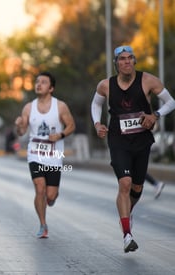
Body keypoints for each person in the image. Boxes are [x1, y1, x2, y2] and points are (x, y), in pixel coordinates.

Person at [91, 45, 175, 253]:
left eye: (130, 58)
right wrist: (97, 124)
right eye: (122, 59)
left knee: (137, 188)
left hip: (142, 141)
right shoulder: (106, 85)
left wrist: (155, 115)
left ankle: (126, 215)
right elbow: (96, 105)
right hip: (118, 140)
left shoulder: (148, 80)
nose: (127, 62)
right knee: (125, 183)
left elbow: (171, 102)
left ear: (134, 61)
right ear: (116, 63)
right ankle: (127, 235)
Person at [15, 72, 75, 239]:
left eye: (43, 82)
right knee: (39, 189)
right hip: (35, 154)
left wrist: (60, 135)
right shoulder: (29, 107)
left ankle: (52, 198)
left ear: (51, 88)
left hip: (54, 155)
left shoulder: (60, 106)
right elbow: (21, 132)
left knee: (50, 195)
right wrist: (19, 125)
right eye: (37, 82)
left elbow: (71, 125)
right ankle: (43, 224)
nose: (38, 84)